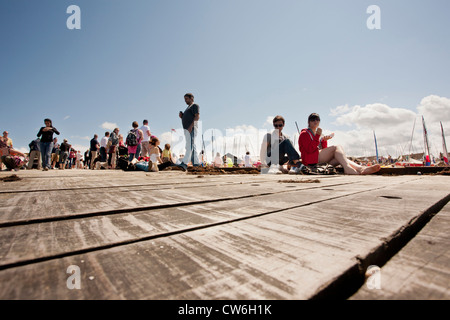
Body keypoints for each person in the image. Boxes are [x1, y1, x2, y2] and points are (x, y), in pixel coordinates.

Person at [298, 113, 381, 175]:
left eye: (317, 119)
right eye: (313, 119)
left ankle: (361, 168)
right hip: (310, 161)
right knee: (337, 147)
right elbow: (309, 149)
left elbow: (323, 149)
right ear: (308, 122)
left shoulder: (318, 134)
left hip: (318, 160)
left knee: (340, 157)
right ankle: (347, 169)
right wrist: (317, 137)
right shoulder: (305, 133)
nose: (315, 121)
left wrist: (324, 141)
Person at [178, 93, 200, 169]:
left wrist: (191, 126)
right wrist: (182, 117)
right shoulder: (188, 108)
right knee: (192, 145)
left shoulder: (194, 106)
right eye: (184, 99)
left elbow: (197, 117)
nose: (185, 101)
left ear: (192, 98)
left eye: (186, 99)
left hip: (191, 128)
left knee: (189, 145)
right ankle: (196, 163)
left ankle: (185, 163)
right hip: (187, 129)